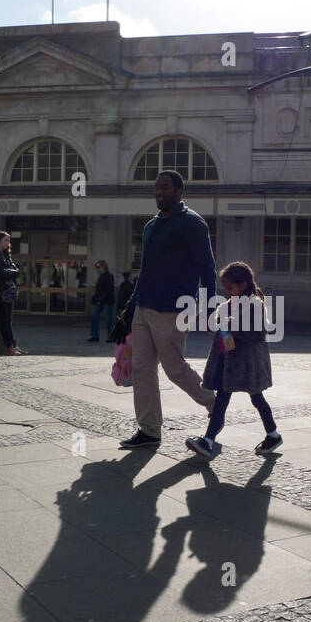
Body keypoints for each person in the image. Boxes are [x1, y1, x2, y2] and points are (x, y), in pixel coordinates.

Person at [112, 170, 219, 449]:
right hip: (144, 308)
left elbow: (207, 268)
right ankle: (149, 431)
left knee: (174, 368)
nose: (159, 192)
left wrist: (209, 307)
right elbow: (144, 272)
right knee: (141, 368)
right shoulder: (150, 227)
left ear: (179, 191)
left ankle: (215, 404)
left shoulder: (193, 224)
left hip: (174, 309)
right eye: (156, 188)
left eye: (165, 188)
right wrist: (128, 309)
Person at [185, 261, 281, 459]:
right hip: (227, 361)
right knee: (223, 398)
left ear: (243, 285)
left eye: (230, 287)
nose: (227, 291)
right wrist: (208, 322)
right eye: (226, 288)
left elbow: (256, 332)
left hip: (247, 363)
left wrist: (227, 325)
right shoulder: (227, 306)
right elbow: (218, 326)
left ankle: (272, 434)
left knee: (257, 398)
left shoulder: (255, 305)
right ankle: (209, 440)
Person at [0, 231, 24, 356]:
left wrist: (10, 271)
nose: (8, 242)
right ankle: (9, 347)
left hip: (9, 287)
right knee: (4, 318)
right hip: (0, 288)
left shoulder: (6, 254)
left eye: (9, 240)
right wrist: (11, 272)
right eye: (6, 240)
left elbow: (16, 270)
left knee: (9, 319)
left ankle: (14, 345)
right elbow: (0, 272)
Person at [88, 259, 115, 342]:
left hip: (108, 300)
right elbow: (98, 290)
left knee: (109, 319)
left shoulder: (109, 276)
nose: (97, 269)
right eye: (96, 267)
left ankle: (111, 337)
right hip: (100, 300)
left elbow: (108, 290)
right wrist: (95, 298)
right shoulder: (100, 277)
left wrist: (100, 299)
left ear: (104, 267)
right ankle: (95, 336)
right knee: (94, 316)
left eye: (98, 267)